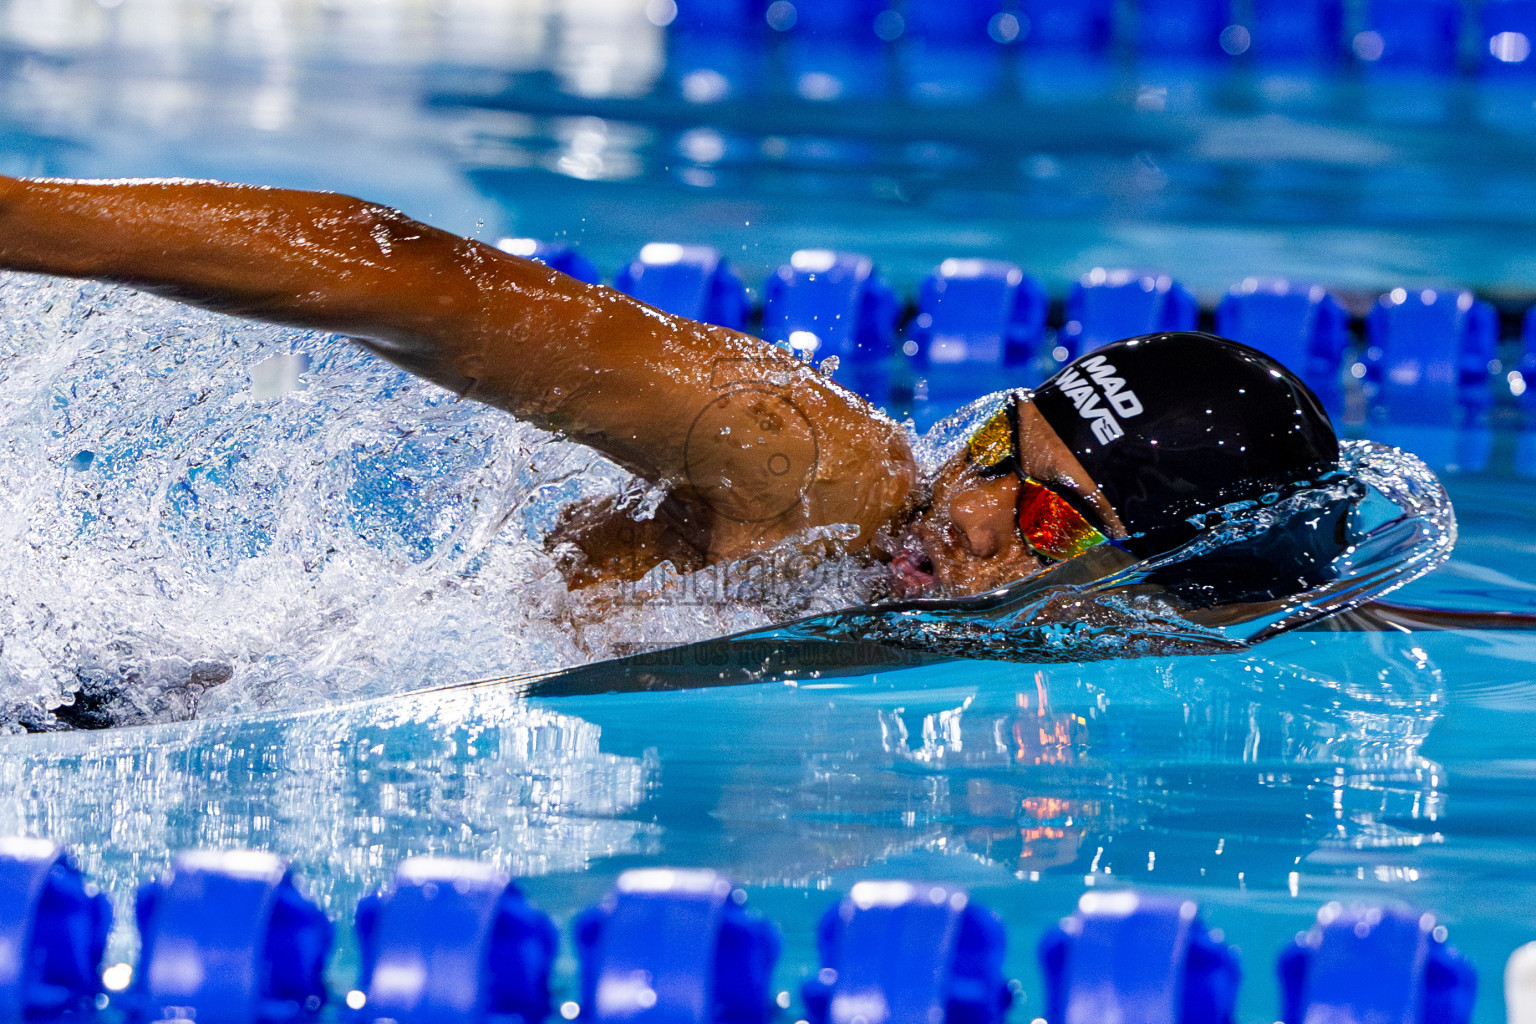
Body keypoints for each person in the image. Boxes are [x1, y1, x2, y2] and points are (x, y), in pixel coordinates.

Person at [0, 175, 1386, 614]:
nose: (958, 512)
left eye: (1040, 530)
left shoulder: (1136, 633)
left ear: (1146, 579)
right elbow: (415, 280)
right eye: (985, 450)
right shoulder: (817, 475)